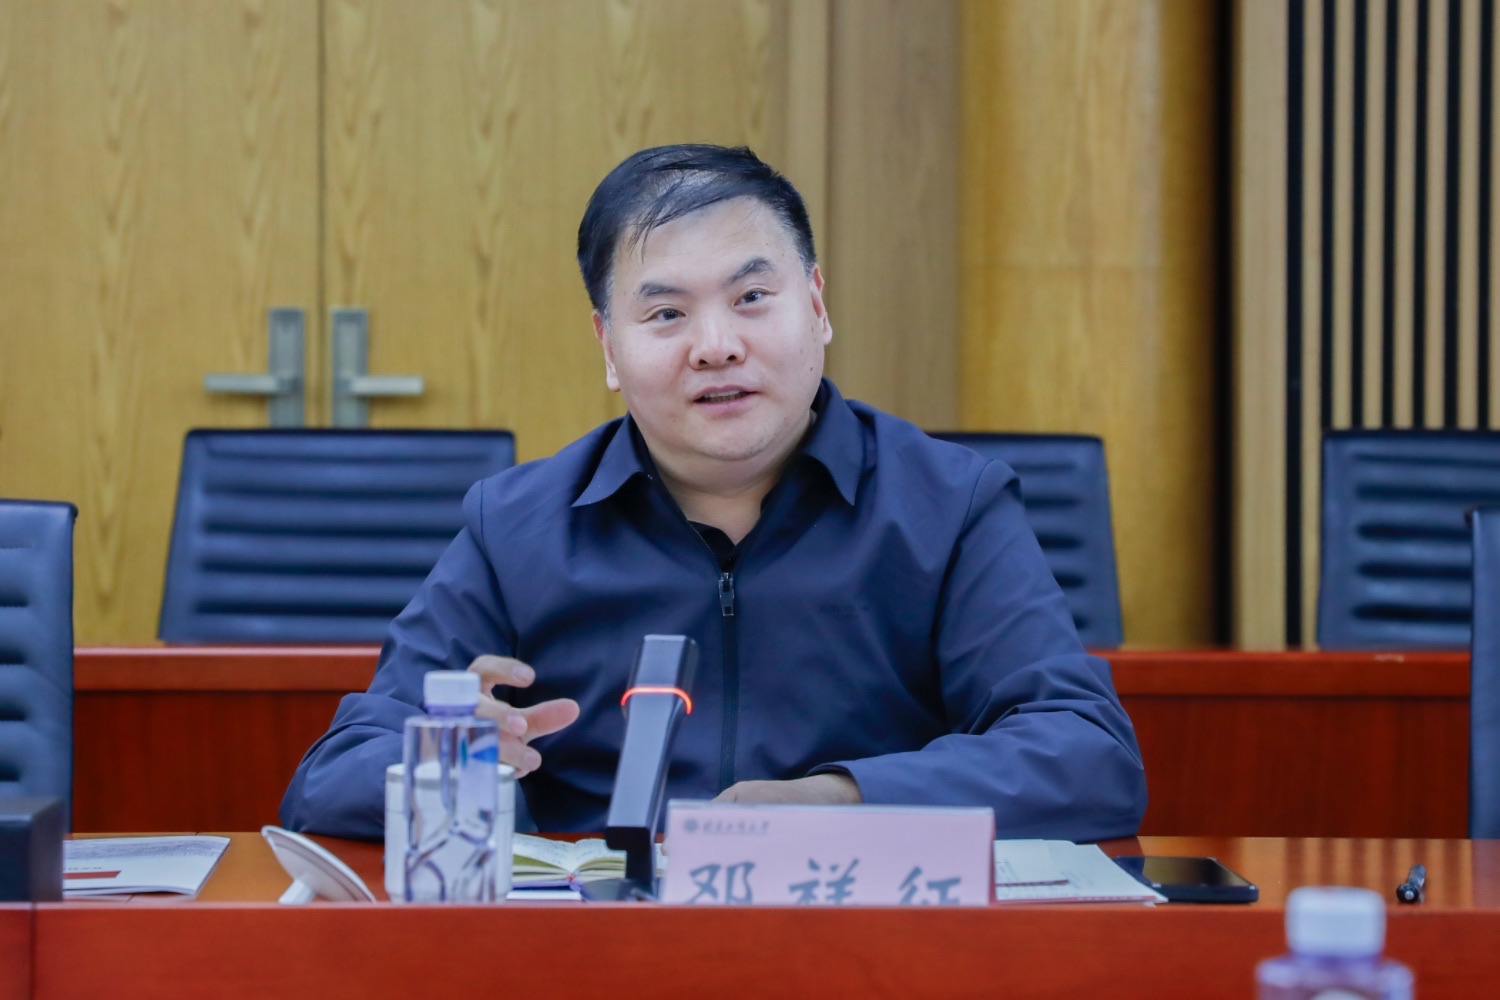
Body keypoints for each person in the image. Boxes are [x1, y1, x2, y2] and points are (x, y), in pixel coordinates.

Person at [281, 144, 1147, 842]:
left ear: (817, 305)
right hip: (599, 960)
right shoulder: (515, 528)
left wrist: (842, 799)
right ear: (608, 347)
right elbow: (328, 778)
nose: (716, 344)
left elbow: (1088, 756)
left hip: (860, 951)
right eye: (666, 314)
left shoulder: (950, 506)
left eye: (752, 297)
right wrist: (440, 757)